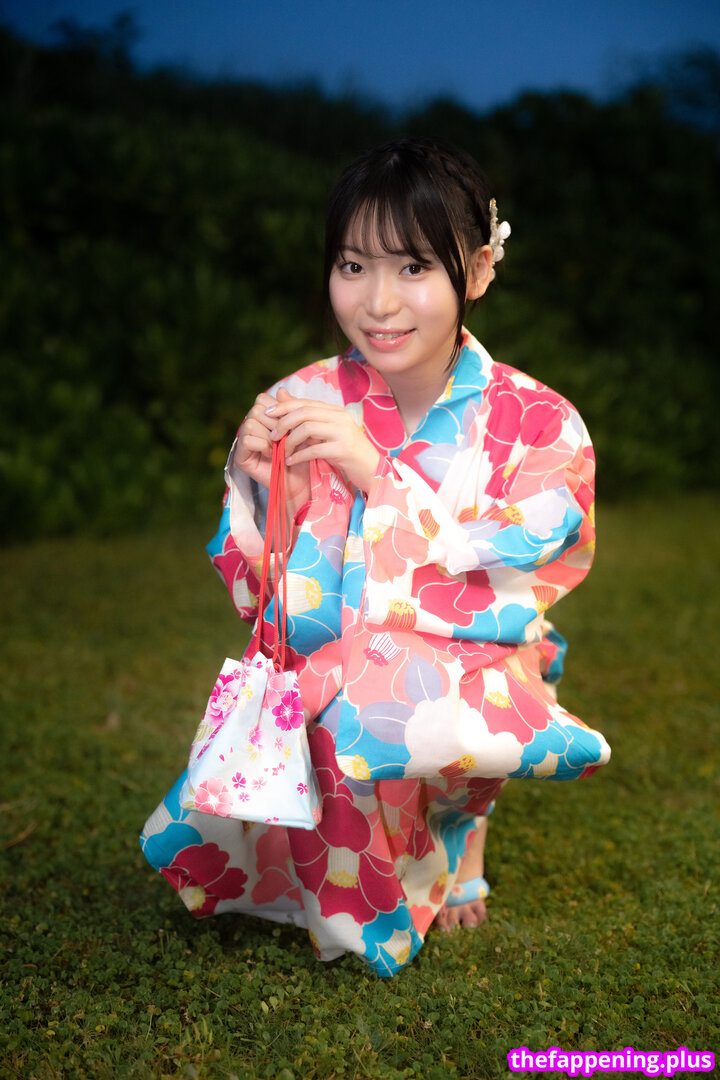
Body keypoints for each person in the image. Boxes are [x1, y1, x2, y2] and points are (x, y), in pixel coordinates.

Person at [141, 137, 610, 976]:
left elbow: (516, 570)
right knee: (337, 687)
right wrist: (268, 488)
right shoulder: (304, 397)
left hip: (468, 653)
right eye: (353, 266)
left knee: (379, 692)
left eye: (414, 268)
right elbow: (263, 589)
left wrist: (377, 475)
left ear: (478, 271)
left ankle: (459, 831)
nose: (379, 302)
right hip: (337, 648)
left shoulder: (540, 422)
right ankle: (345, 869)